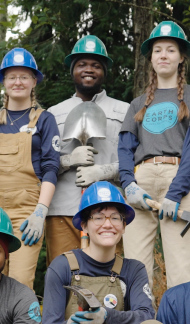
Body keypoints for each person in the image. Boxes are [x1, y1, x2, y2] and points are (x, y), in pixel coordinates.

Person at [118, 20, 190, 288]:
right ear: (151, 58)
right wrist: (128, 185)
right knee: (136, 270)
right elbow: (125, 147)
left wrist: (176, 192)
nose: (164, 55)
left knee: (181, 269)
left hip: (178, 180)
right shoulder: (138, 103)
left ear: (181, 57)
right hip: (141, 181)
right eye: (158, 50)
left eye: (171, 50)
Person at [0, 47, 61, 290]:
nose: (18, 82)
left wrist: (40, 212)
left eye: (24, 76)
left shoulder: (44, 119)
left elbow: (52, 167)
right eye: (12, 77)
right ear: (4, 81)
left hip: (26, 211)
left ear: (34, 81)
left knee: (20, 283)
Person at [46, 35, 129, 263]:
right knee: (64, 274)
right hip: (64, 209)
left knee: (110, 279)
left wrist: (105, 172)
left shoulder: (125, 111)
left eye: (96, 65)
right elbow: (43, 164)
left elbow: (135, 162)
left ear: (105, 71)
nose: (88, 70)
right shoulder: (54, 113)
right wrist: (67, 161)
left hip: (109, 211)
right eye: (82, 64)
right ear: (72, 70)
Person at [42, 181, 154, 324]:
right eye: (98, 218)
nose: (107, 224)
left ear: (124, 226)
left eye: (115, 218)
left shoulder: (133, 270)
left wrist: (107, 315)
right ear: (84, 226)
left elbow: (147, 317)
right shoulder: (62, 266)